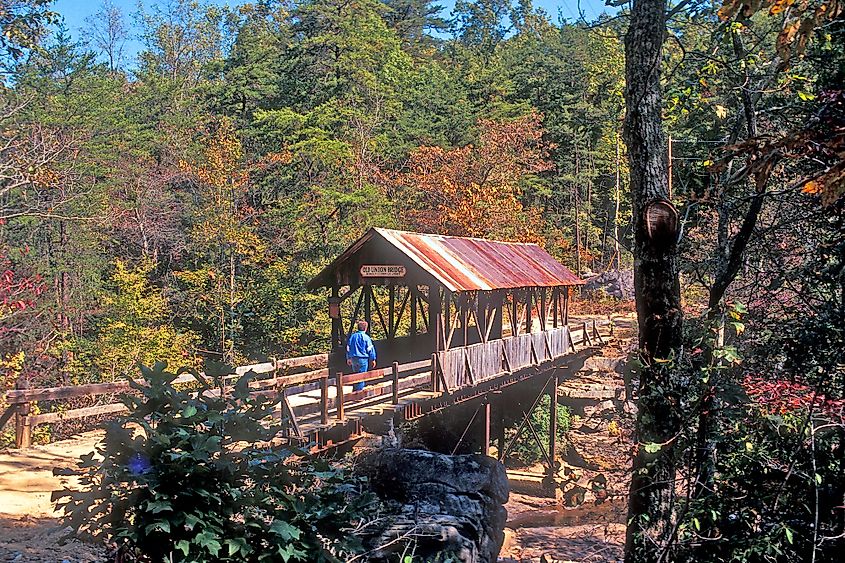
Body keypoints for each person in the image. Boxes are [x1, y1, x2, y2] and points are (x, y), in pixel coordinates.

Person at [346, 320, 376, 392]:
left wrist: (348, 358)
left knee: (355, 375)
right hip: (363, 359)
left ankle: (355, 392)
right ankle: (359, 395)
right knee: (361, 377)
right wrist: (373, 359)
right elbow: (370, 349)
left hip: (353, 359)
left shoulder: (353, 337)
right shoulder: (366, 337)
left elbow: (348, 348)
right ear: (365, 328)